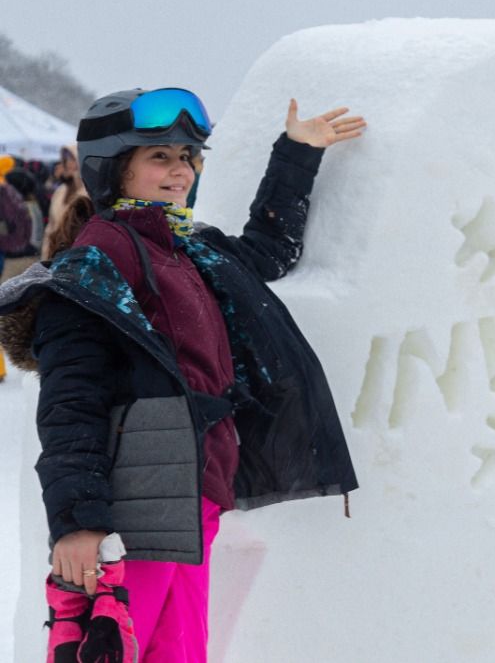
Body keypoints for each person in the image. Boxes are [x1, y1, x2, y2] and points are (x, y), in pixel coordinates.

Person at [0, 87, 365, 662]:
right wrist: (77, 524)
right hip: (133, 507)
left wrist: (298, 151)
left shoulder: (189, 250)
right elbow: (72, 404)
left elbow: (268, 252)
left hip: (198, 490)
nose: (181, 172)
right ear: (114, 170)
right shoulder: (96, 265)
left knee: (181, 652)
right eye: (160, 157)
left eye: (188, 157)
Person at [42, 144, 88, 260]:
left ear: (80, 160)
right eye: (65, 159)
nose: (66, 164)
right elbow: (50, 229)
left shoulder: (88, 193)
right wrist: (45, 257)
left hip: (77, 255)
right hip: (55, 255)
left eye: (71, 158)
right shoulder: (61, 191)